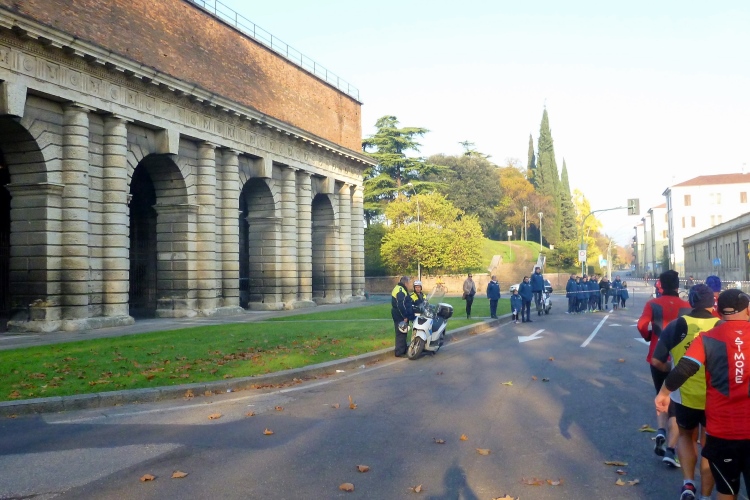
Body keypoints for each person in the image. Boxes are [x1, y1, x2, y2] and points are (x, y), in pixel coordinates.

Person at [656, 289, 750, 500]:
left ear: (720, 311)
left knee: (726, 490)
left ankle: (698, 490)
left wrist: (663, 393)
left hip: (722, 431)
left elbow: (684, 368)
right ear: (748, 310)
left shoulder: (707, 338)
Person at [651, 285, 719, 500]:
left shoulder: (676, 325)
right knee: (709, 445)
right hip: (714, 397)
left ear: (691, 301)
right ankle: (706, 495)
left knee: (686, 436)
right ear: (712, 303)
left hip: (684, 395)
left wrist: (670, 374)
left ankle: (688, 484)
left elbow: (656, 360)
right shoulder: (721, 326)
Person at [637, 270, 691, 467]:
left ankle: (660, 430)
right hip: (680, 360)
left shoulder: (652, 304)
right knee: (676, 404)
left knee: (662, 395)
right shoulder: (687, 306)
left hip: (657, 358)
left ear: (660, 284)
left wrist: (649, 336)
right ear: (678, 285)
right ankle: (670, 449)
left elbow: (642, 325)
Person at [391, 276, 416, 357]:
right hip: (399, 315)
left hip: (399, 313)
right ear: (406, 283)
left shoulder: (400, 288)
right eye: (409, 283)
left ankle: (403, 349)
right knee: (401, 333)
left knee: (403, 332)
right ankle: (399, 352)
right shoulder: (401, 290)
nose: (409, 285)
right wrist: (404, 316)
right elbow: (400, 305)